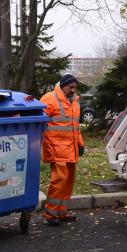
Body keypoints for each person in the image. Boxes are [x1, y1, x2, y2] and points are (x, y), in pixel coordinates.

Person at [40, 73, 84, 225]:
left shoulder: (74, 102)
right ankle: (50, 213)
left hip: (70, 148)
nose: (73, 90)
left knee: (68, 180)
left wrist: (81, 143)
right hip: (56, 148)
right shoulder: (49, 99)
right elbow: (39, 122)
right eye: (70, 87)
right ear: (62, 85)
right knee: (60, 179)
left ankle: (61, 211)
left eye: (75, 87)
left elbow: (75, 127)